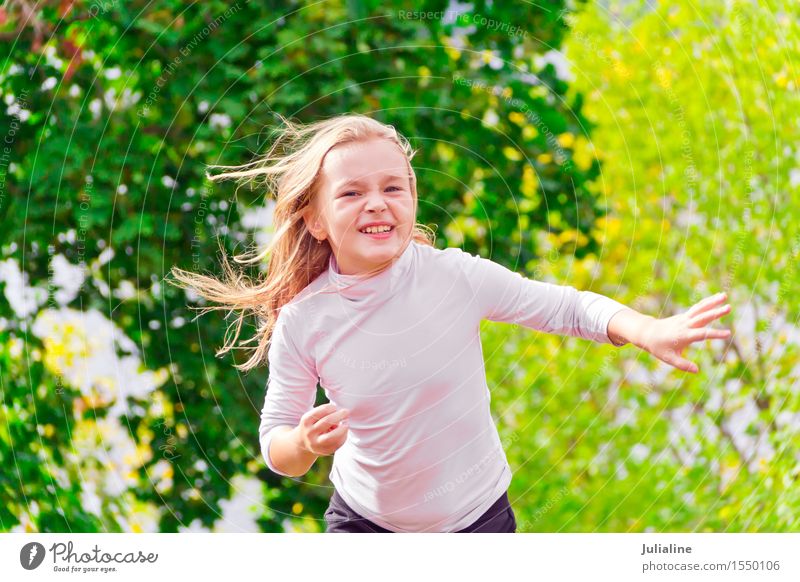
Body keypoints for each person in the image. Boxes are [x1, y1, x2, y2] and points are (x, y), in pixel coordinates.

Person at [170, 113, 732, 533]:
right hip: (366, 526)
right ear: (315, 220)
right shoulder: (304, 320)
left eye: (393, 187)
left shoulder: (453, 277)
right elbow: (277, 445)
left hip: (478, 519)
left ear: (413, 198)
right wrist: (303, 442)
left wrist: (648, 330)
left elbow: (567, 308)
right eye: (351, 193)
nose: (376, 203)